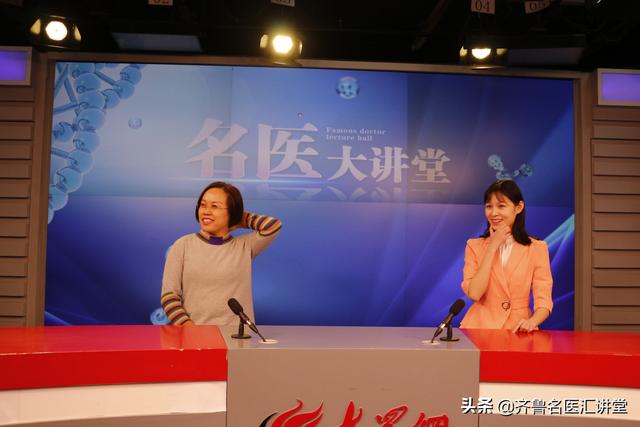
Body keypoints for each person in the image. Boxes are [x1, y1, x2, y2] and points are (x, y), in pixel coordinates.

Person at [161, 182, 282, 325]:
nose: (206, 211)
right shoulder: (182, 245)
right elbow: (169, 296)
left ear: (231, 212)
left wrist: (238, 218)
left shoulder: (244, 246)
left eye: (214, 206)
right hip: (195, 333)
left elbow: (273, 226)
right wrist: (189, 329)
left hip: (238, 335)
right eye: (203, 205)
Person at [460, 179, 553, 332]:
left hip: (518, 329)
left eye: (501, 206)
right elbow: (475, 294)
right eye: (489, 206)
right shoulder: (474, 246)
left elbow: (544, 299)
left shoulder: (537, 248)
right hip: (479, 328)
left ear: (518, 207)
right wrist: (492, 247)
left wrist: (532, 322)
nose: (493, 213)